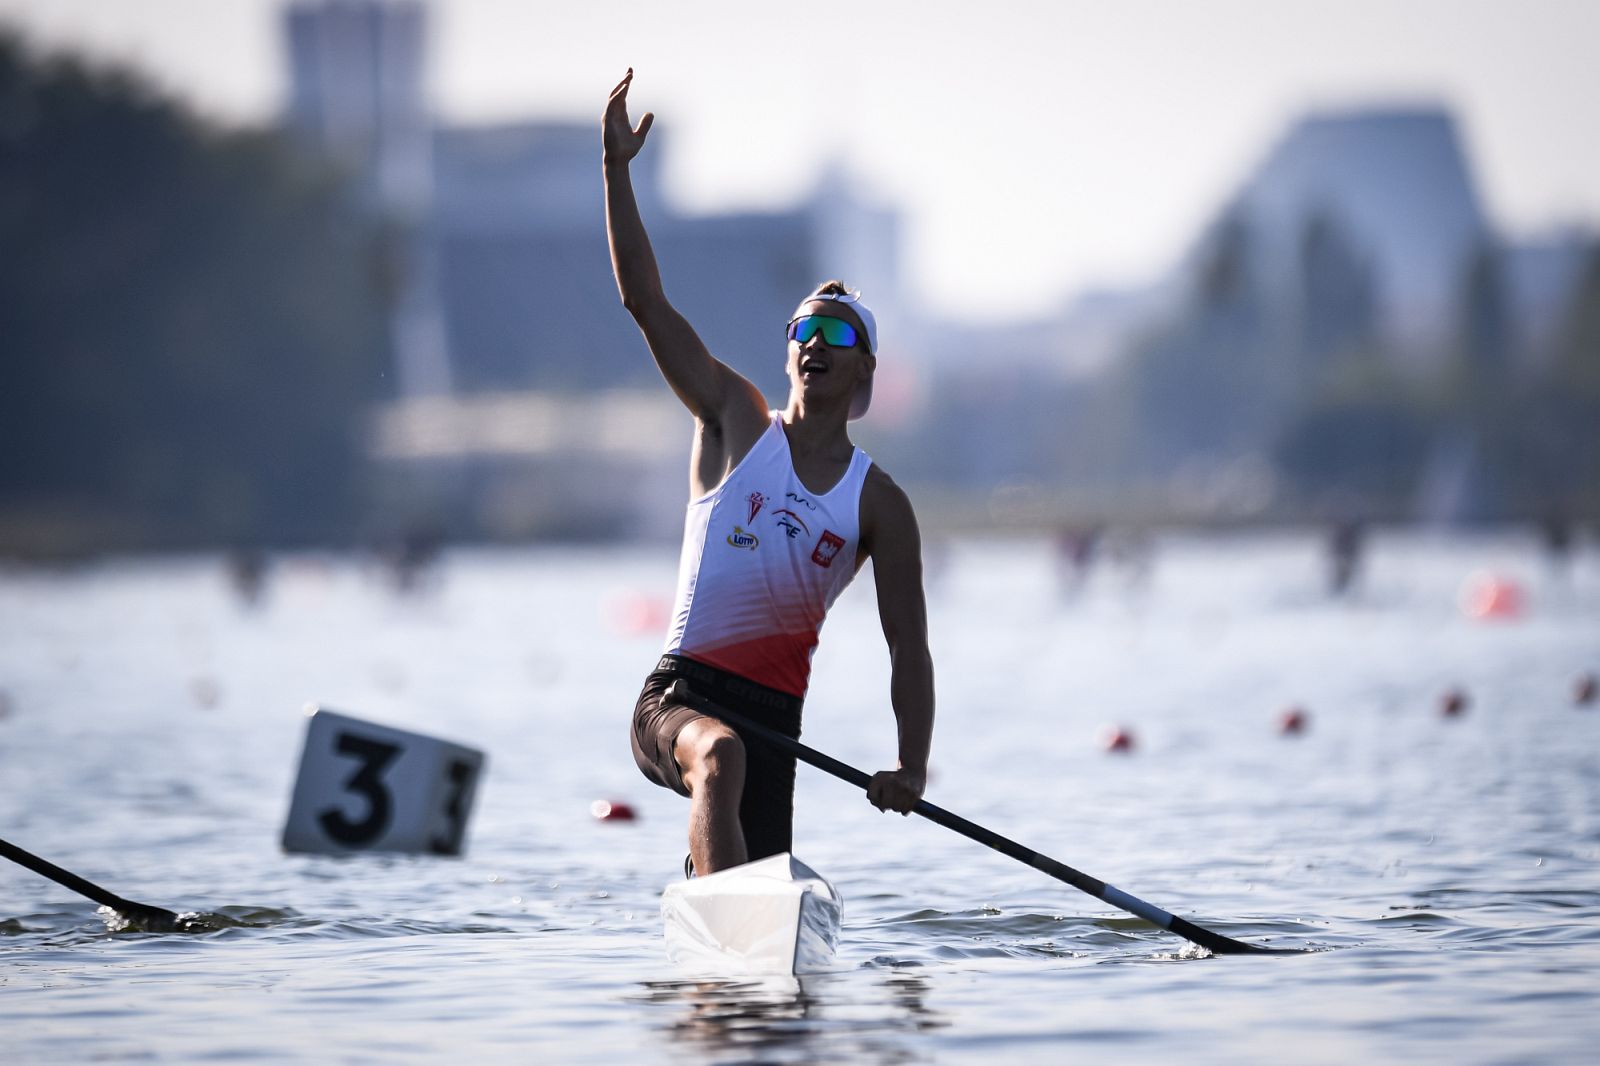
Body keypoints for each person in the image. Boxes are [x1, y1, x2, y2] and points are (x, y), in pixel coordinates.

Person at [604, 70, 935, 876]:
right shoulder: (734, 418)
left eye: (838, 331)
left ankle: (716, 895)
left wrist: (911, 767)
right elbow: (647, 303)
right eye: (804, 328)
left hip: (775, 726)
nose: (815, 341)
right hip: (679, 700)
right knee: (717, 757)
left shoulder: (880, 505)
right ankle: (723, 915)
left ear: (867, 373)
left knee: (748, 821)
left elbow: (909, 650)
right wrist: (616, 172)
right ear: (790, 352)